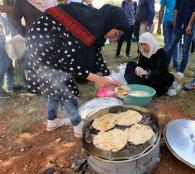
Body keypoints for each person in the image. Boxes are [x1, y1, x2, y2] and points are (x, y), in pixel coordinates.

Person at [25, 3, 129, 138]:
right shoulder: (85, 27)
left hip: (47, 41)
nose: (116, 37)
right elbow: (69, 63)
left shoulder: (96, 24)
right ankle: (79, 127)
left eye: (119, 36)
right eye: (117, 33)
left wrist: (107, 75)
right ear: (110, 23)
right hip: (42, 43)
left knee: (54, 84)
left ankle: (52, 121)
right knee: (64, 86)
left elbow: (96, 51)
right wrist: (97, 79)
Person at [165, 0, 195, 78]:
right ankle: (165, 66)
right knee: (170, 46)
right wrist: (175, 21)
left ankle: (181, 70)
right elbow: (176, 8)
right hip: (178, 24)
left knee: (185, 49)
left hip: (189, 26)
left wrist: (190, 25)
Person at [157, 0, 179, 69]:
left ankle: (176, 63)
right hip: (167, 22)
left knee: (175, 43)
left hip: (177, 22)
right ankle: (164, 63)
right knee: (167, 43)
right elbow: (161, 10)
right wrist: (159, 25)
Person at [0, 14, 14, 98]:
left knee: (9, 63)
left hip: (3, 37)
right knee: (3, 64)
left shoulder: (2, 16)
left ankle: (11, 86)